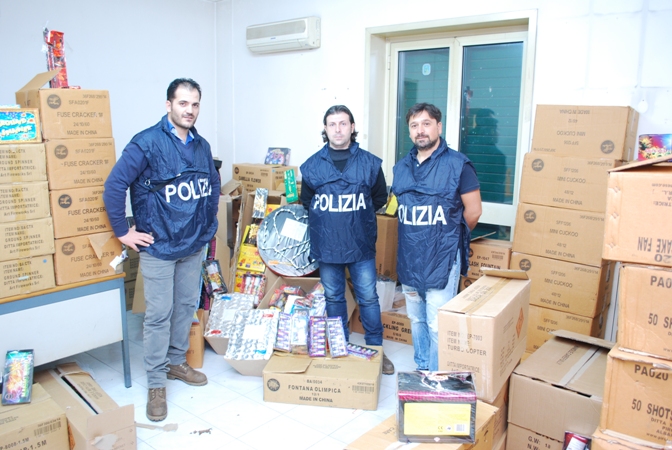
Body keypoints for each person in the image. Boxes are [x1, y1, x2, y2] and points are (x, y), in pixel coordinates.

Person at [103, 78, 220, 421]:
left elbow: (212, 186)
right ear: (168, 105)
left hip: (192, 244)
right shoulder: (146, 143)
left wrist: (207, 226)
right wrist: (122, 231)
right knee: (158, 315)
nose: (190, 110)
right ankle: (156, 383)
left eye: (195, 104)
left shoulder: (201, 145)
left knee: (185, 307)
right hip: (158, 245)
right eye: (183, 103)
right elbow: (115, 185)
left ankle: (175, 362)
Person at [300, 105, 394, 375]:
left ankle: (376, 350)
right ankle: (339, 347)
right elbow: (307, 202)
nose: (338, 129)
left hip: (360, 243)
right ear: (325, 129)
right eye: (332, 124)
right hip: (327, 244)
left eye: (343, 123)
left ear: (352, 127)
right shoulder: (312, 166)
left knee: (368, 297)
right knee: (333, 297)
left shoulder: (370, 163)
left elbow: (379, 198)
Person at [391, 102, 482, 372]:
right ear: (409, 131)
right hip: (410, 256)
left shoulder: (458, 165)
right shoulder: (401, 168)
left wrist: (447, 237)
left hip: (441, 257)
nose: (420, 130)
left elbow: (474, 211)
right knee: (416, 319)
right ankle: (422, 367)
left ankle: (435, 376)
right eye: (414, 125)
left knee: (437, 323)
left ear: (438, 127)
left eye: (426, 123)